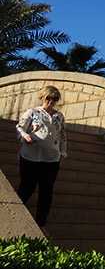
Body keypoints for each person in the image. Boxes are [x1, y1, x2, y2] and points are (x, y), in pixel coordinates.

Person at [15, 85, 67, 229]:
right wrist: (25, 137)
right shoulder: (33, 112)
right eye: (48, 98)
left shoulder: (59, 116)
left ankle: (40, 224)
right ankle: (15, 217)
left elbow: (62, 135)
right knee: (27, 187)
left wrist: (62, 152)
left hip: (51, 159)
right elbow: (20, 127)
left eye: (54, 99)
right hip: (31, 156)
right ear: (42, 97)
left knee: (46, 192)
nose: (51, 101)